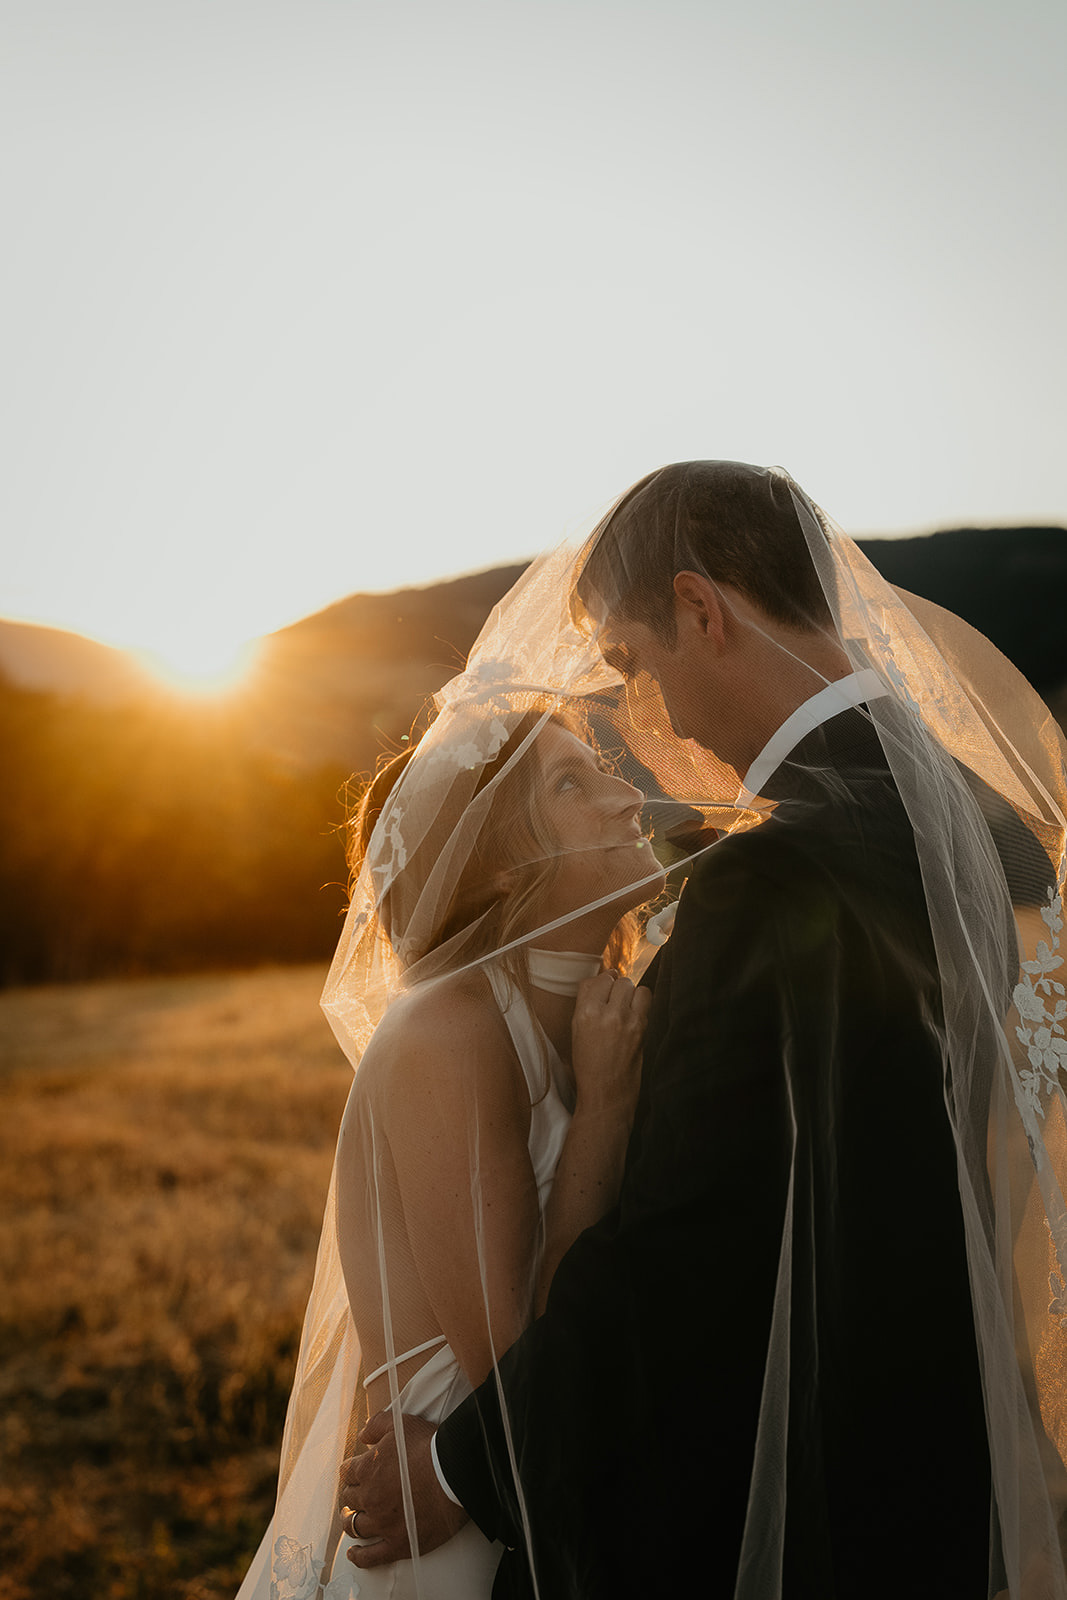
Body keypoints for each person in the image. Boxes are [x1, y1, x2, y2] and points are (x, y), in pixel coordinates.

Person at [340, 462, 1067, 1598]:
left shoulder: (765, 880)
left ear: (699, 609)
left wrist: (461, 1464)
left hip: (804, 1493)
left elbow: (683, 1252)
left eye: (634, 663)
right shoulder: (956, 819)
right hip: (931, 1450)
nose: (653, 719)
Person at [235, 694, 670, 1600]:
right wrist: (603, 1115)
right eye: (570, 782)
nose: (627, 796)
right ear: (500, 863)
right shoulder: (448, 1031)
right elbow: (521, 1375)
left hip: (561, 1504)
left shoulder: (611, 1007)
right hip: (456, 1541)